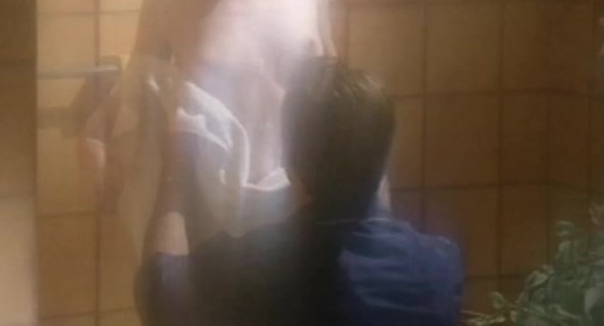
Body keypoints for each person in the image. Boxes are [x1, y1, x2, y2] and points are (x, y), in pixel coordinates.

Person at [81, 0, 390, 257]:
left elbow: (342, 103)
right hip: (215, 226)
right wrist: (95, 142)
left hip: (305, 213)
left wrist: (375, 207)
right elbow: (137, 95)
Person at [137, 58, 464, 326]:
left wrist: (175, 177)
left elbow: (158, 291)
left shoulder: (257, 271)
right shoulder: (439, 265)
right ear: (384, 158)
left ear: (290, 163)